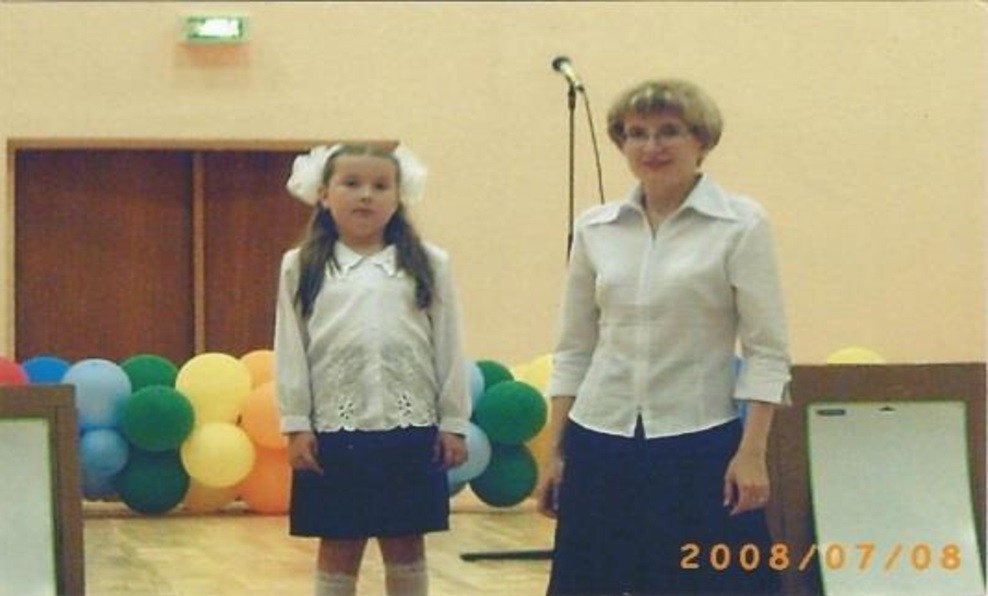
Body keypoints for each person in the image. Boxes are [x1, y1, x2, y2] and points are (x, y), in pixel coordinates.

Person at [536, 79, 791, 595]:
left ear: (702, 141)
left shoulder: (740, 224)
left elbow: (766, 351)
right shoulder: (595, 228)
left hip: (698, 444)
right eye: (637, 134)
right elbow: (574, 350)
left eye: (669, 131)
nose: (652, 147)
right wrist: (556, 452)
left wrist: (752, 453)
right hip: (599, 441)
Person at [274, 143, 470, 596]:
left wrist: (453, 422)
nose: (366, 195)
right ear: (324, 194)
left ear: (399, 196)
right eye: (351, 183)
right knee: (339, 543)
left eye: (380, 186)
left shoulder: (429, 263)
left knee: (406, 544)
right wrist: (296, 423)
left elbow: (448, 342)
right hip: (335, 431)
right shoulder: (300, 266)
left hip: (410, 427)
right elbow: (290, 346)